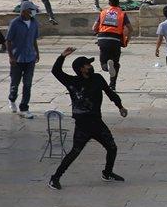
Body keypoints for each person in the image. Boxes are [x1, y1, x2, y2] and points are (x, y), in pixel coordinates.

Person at [48, 46, 127, 189]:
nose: (90, 66)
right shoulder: (72, 81)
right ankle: (55, 178)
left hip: (97, 122)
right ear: (81, 69)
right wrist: (62, 56)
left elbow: (110, 92)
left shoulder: (97, 78)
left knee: (112, 148)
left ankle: (107, 173)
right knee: (75, 152)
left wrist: (120, 106)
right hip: (82, 124)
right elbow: (55, 71)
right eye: (88, 64)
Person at [5, 2, 40, 119]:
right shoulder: (15, 23)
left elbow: (34, 39)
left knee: (28, 84)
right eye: (31, 10)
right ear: (24, 11)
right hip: (17, 58)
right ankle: (12, 98)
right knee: (15, 82)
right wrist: (11, 56)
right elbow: (8, 41)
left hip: (30, 57)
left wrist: (37, 53)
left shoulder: (34, 23)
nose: (33, 12)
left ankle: (24, 107)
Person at [93, 0, 132, 91]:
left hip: (103, 39)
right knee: (116, 64)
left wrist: (98, 32)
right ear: (118, 4)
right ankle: (112, 85)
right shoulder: (122, 14)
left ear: (109, 3)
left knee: (103, 63)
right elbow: (130, 29)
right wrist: (127, 39)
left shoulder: (103, 12)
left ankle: (106, 67)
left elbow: (94, 28)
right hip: (115, 40)